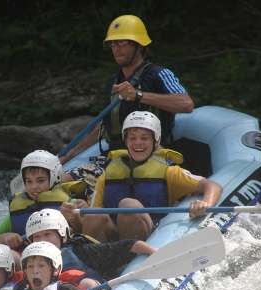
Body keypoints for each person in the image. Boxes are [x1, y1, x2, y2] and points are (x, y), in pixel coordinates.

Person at [61, 14, 194, 184]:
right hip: (116, 158)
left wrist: (138, 95)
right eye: (112, 44)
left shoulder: (158, 74)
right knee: (60, 181)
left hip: (151, 157)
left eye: (122, 43)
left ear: (139, 45)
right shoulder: (114, 82)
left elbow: (186, 104)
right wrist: (68, 156)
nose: (116, 48)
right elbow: (105, 125)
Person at [76, 111, 222, 242]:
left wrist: (206, 203)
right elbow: (93, 212)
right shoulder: (108, 174)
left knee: (128, 205)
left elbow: (212, 186)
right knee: (93, 214)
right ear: (125, 141)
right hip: (113, 240)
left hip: (152, 235)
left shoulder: (169, 172)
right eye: (132, 138)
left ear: (155, 141)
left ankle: (129, 260)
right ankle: (87, 260)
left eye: (144, 138)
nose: (138, 143)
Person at [25, 208, 155, 281]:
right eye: (37, 237)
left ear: (62, 235)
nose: (43, 240)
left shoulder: (81, 252)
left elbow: (127, 247)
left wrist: (155, 253)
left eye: (48, 234)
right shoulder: (29, 265)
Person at [0, 149, 74, 250]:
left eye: (40, 181)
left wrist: (76, 220)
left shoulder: (68, 205)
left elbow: (85, 231)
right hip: (31, 260)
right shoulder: (19, 208)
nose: (34, 186)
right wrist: (4, 238)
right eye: (29, 181)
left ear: (54, 178)